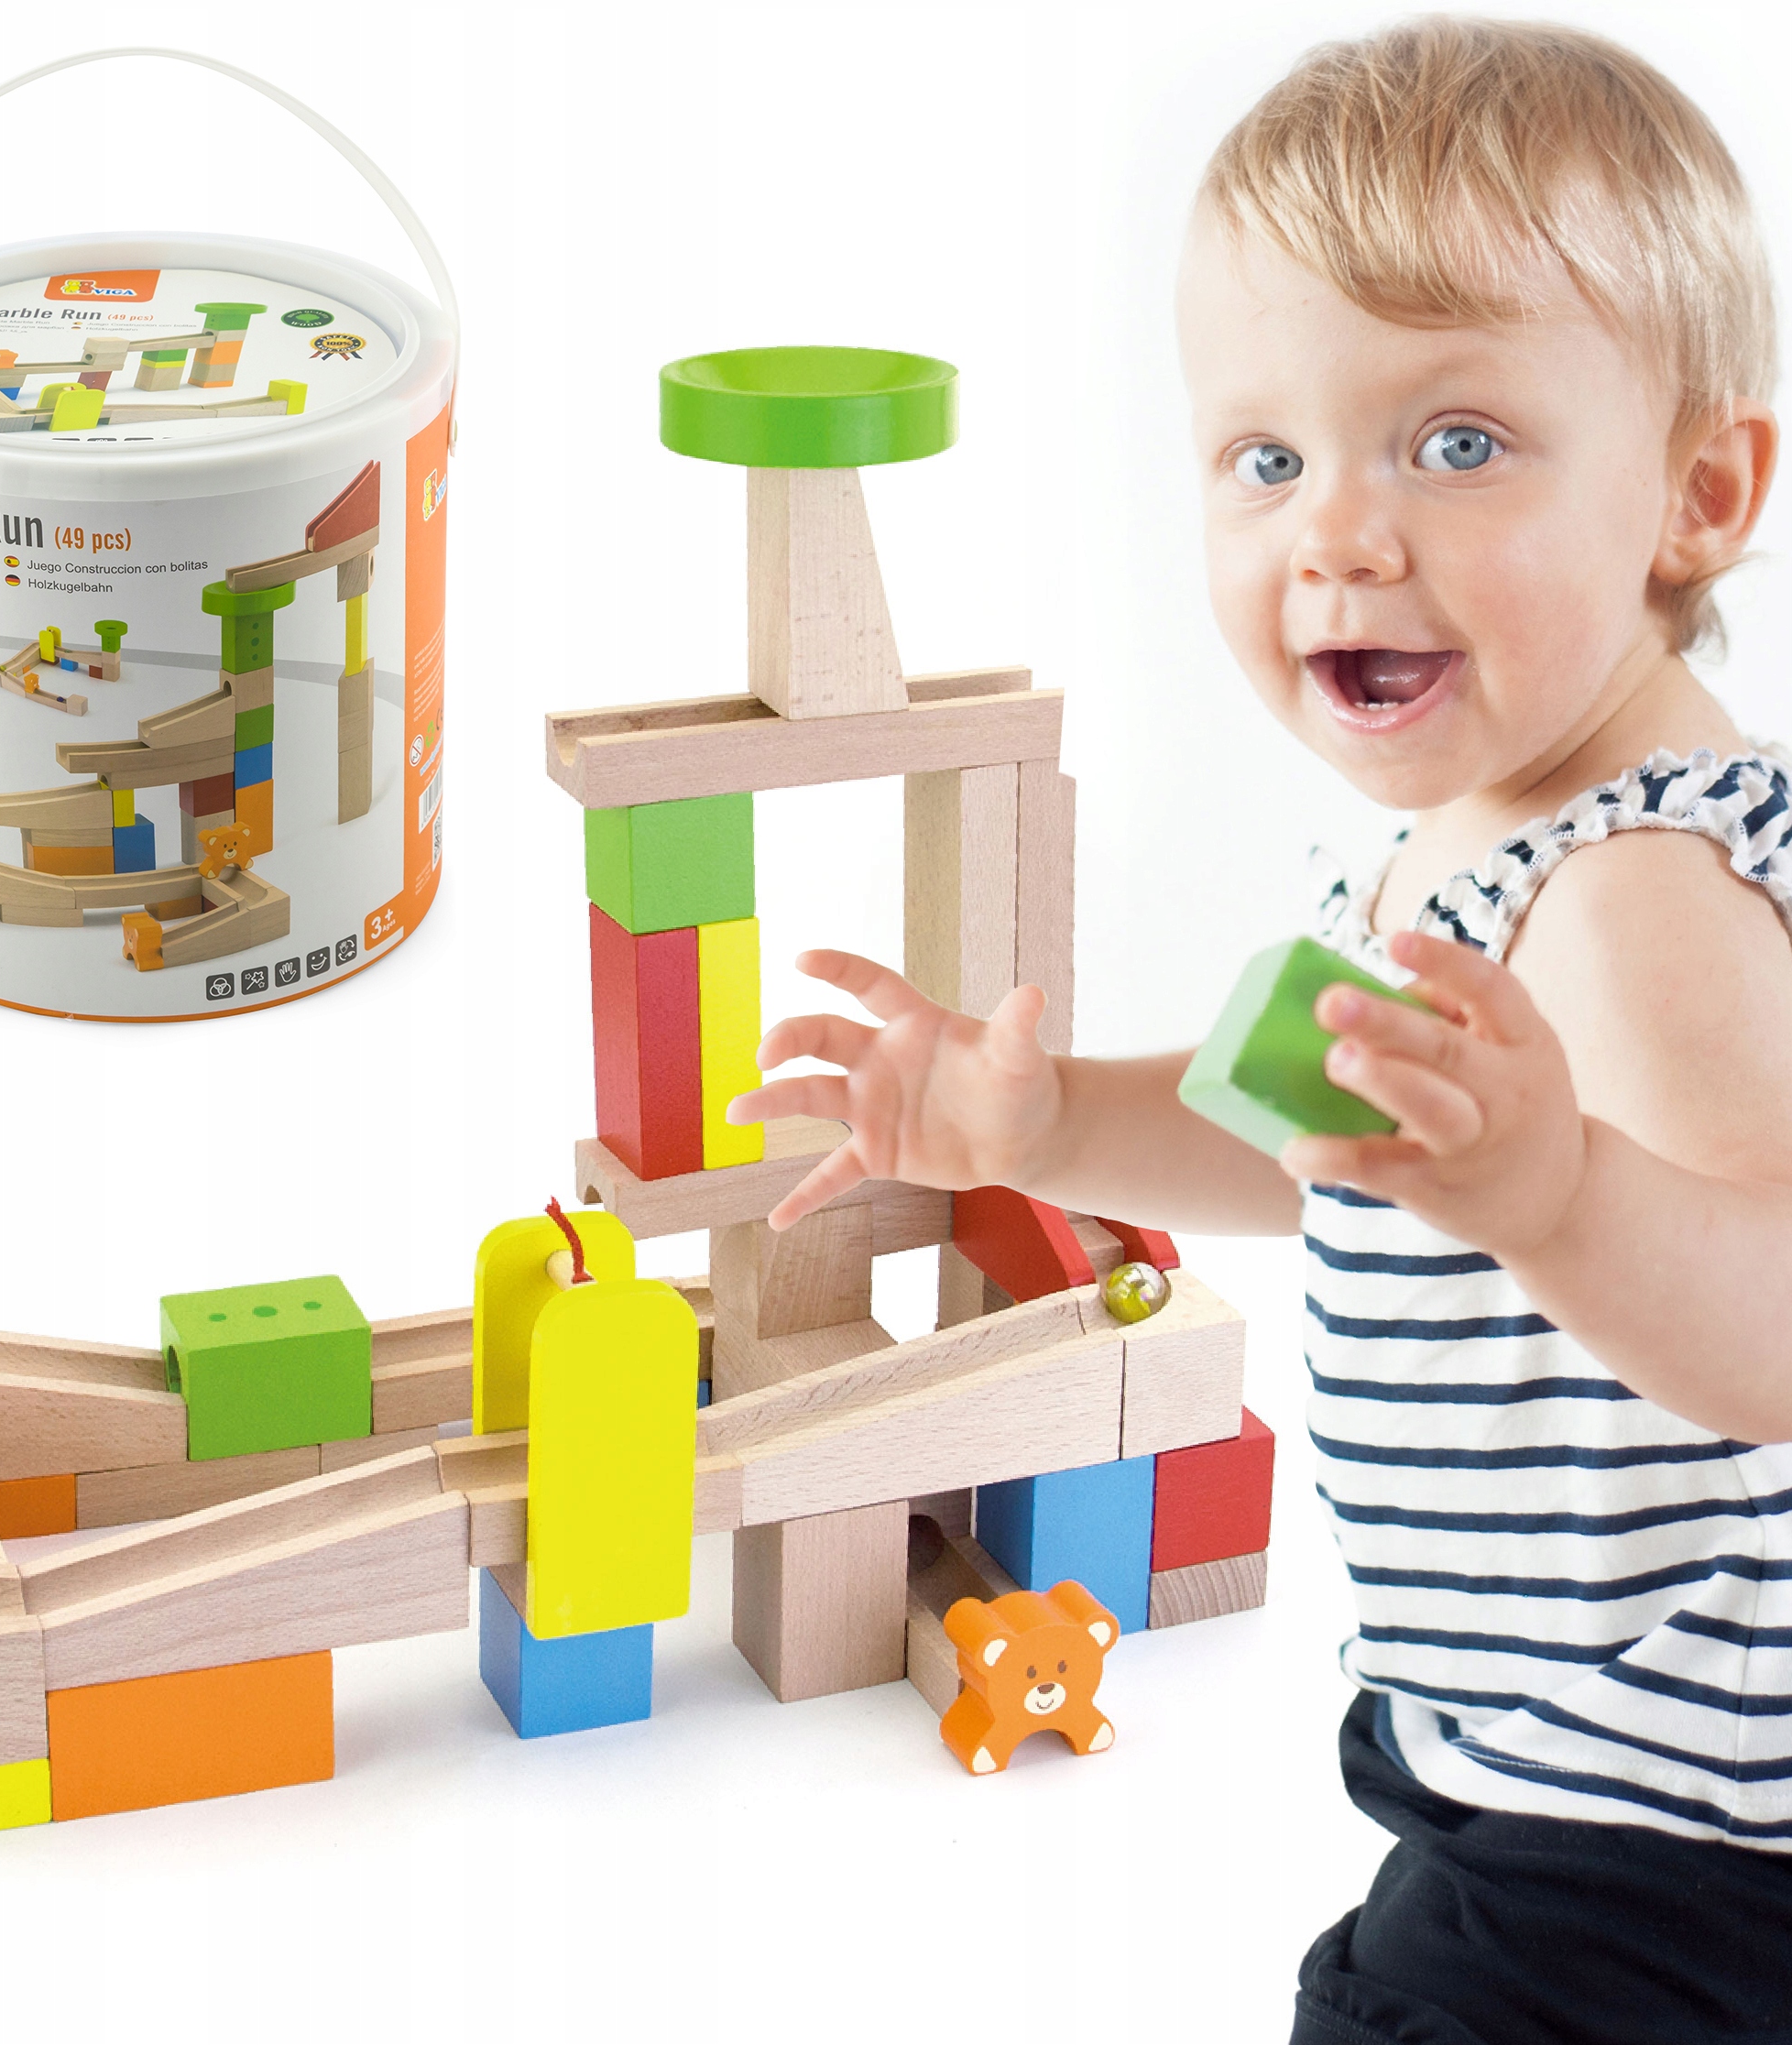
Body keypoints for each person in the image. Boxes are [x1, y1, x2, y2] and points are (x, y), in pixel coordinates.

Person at [728, 19, 1792, 2042]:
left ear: (1697, 491)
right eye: (1270, 460)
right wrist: (1038, 1122)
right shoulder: (1457, 848)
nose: (1340, 536)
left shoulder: (1636, 890)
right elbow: (1284, 1139)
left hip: (1675, 1826)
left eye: (1456, 444)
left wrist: (1559, 1195)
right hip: (1539, 1760)